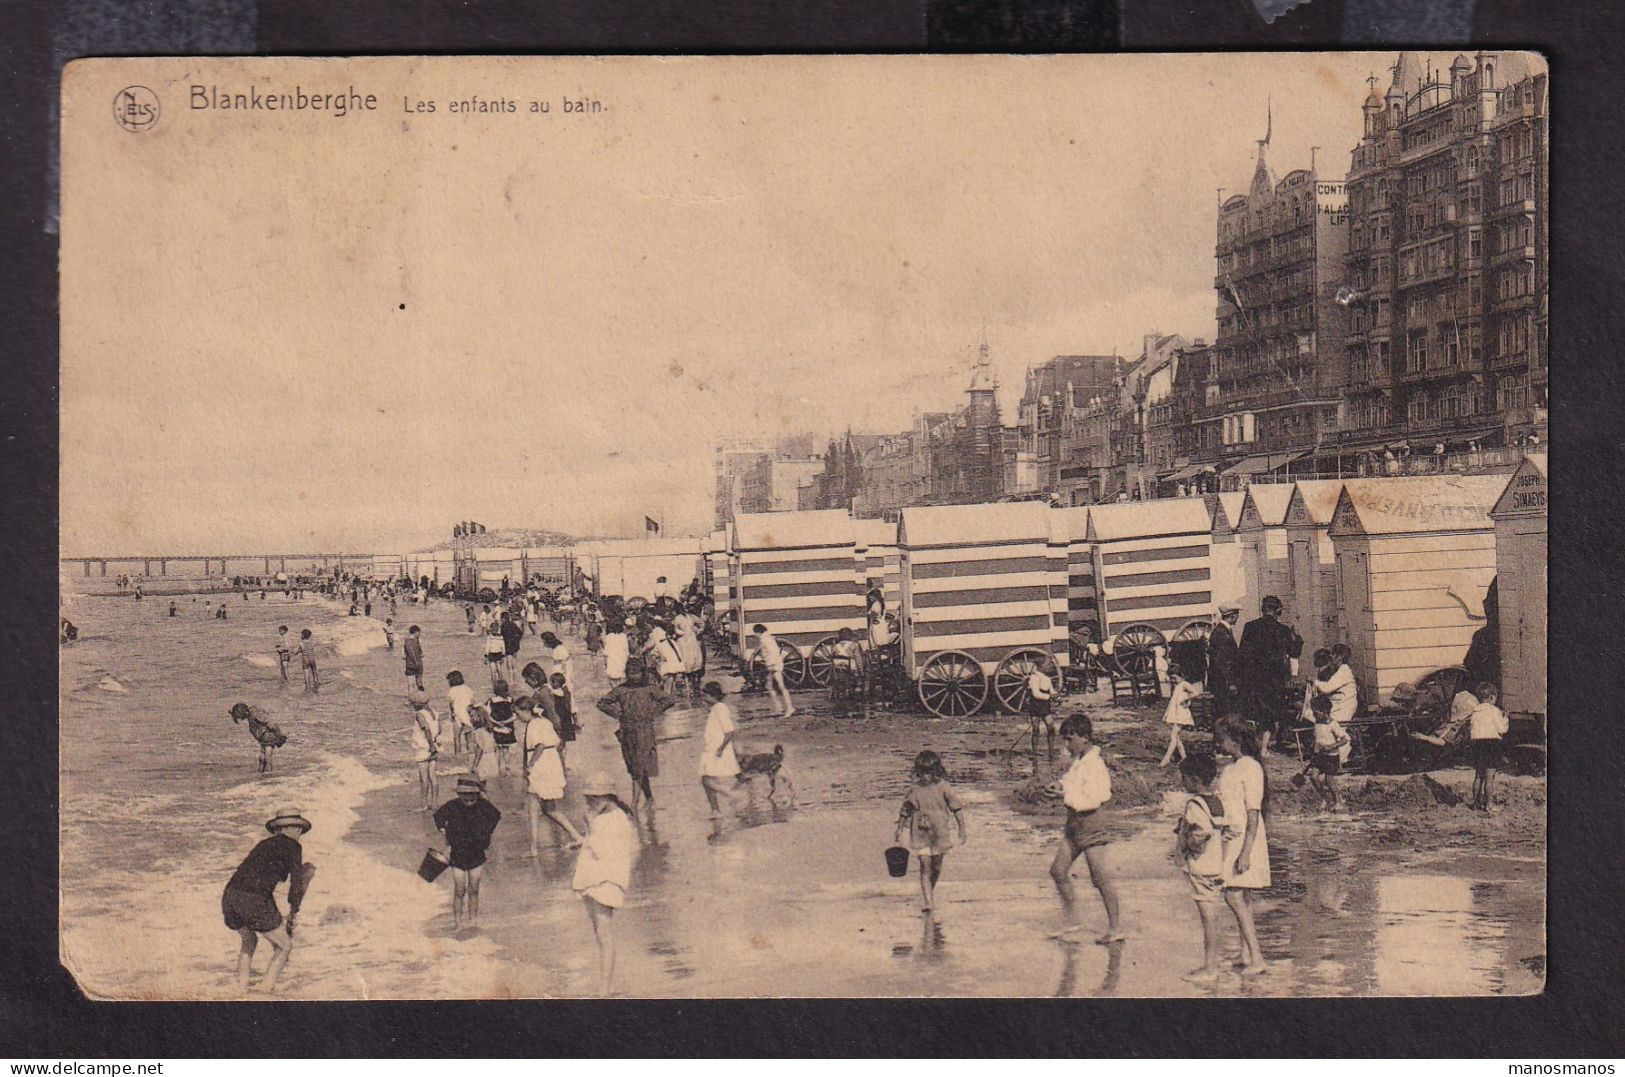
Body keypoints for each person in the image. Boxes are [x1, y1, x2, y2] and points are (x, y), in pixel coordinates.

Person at [1048, 714, 1122, 944]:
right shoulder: (1080, 760)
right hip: (1075, 823)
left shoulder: (1096, 765)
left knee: (1099, 878)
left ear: (1085, 738)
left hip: (1092, 824)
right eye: (1065, 740)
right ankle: (1072, 921)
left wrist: (1065, 794)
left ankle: (1116, 928)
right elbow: (1071, 781)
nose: (1066, 745)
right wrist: (1060, 785)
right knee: (1058, 871)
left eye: (1070, 739)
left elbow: (1096, 798)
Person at [222, 808, 311, 992]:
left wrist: (279, 916)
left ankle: (241, 988)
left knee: (249, 940)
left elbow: (258, 883)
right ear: (290, 828)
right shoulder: (293, 847)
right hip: (252, 900)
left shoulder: (263, 844)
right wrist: (294, 911)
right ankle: (265, 990)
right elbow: (295, 884)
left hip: (230, 896)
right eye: (299, 829)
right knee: (285, 946)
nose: (300, 833)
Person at [571, 772, 637, 996]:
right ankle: (608, 983)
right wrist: (583, 837)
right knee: (600, 933)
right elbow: (595, 842)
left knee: (604, 933)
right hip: (594, 879)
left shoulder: (618, 820)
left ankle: (605, 988)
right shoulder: (605, 817)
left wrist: (590, 826)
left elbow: (603, 851)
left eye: (594, 797)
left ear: (608, 797)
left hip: (606, 881)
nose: (589, 802)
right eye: (588, 797)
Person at [1214, 718, 1270, 976]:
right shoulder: (1231, 768)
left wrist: (1246, 852)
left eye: (1221, 738)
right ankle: (1245, 953)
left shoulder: (1251, 768)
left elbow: (1253, 813)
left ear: (1235, 741)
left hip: (1246, 840)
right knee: (1241, 897)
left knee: (1233, 895)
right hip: (1230, 837)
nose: (1218, 743)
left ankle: (1257, 958)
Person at [597, 658, 675, 823]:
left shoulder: (650, 689)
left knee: (638, 767)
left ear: (643, 673)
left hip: (645, 732)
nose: (633, 677)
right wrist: (617, 713)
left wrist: (654, 712)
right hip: (626, 732)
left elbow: (669, 700)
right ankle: (649, 798)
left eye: (636, 673)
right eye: (630, 674)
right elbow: (602, 703)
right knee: (634, 767)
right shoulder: (621, 690)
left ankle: (633, 805)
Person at [1173, 753, 1227, 983]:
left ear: (1194, 779)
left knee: (1208, 918)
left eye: (1184, 777)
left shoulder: (1194, 805)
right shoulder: (1216, 801)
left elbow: (1201, 832)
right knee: (1212, 915)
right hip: (1216, 864)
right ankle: (1213, 963)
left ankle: (1210, 967)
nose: (1182, 782)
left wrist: (1188, 845)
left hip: (1200, 866)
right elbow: (1228, 829)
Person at [895, 750, 967, 915]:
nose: (926, 777)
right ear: (918, 772)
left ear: (936, 771)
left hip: (939, 835)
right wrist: (899, 828)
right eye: (922, 773)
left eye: (929, 772)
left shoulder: (943, 787)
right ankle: (928, 901)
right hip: (920, 835)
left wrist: (962, 830)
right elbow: (905, 810)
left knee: (936, 867)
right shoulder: (914, 790)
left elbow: (956, 808)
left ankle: (929, 893)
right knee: (925, 867)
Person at [433, 777, 502, 930]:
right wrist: (443, 831)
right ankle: (458, 922)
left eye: (473, 795)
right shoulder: (452, 806)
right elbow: (438, 816)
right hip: (457, 853)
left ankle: (473, 920)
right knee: (459, 889)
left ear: (478, 794)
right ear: (459, 794)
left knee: (474, 888)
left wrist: (487, 832)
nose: (469, 799)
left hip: (477, 852)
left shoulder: (484, 806)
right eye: (465, 795)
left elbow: (496, 815)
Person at [1238, 596, 1303, 750]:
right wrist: (1298, 637)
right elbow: (1295, 652)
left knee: (1256, 711)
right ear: (1278, 610)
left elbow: (1242, 655)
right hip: (1275, 679)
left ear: (1263, 608)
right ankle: (1272, 744)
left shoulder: (1250, 627)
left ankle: (1255, 744)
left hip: (1254, 678)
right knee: (1274, 709)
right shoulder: (1283, 630)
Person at [697, 681, 741, 820]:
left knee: (707, 780)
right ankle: (716, 810)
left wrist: (721, 749)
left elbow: (729, 732)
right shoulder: (716, 708)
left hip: (717, 750)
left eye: (705, 695)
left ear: (712, 695)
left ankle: (730, 797)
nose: (703, 698)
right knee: (707, 779)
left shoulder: (720, 708)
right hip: (711, 749)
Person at [1467, 681, 1508, 811]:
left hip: (1478, 744)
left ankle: (1475, 802)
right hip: (1491, 744)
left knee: (1478, 775)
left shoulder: (1474, 712)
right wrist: (1505, 718)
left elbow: (1471, 729)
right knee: (1490, 776)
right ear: (1491, 697)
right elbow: (1502, 729)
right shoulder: (1494, 711)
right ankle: (1489, 804)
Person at [1306, 693, 1351, 812]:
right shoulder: (1317, 723)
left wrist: (1331, 746)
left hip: (1331, 757)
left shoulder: (1333, 725)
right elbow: (1317, 739)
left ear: (1325, 711)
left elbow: (1345, 739)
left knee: (1329, 780)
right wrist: (1313, 752)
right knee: (1313, 777)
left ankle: (1338, 801)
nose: (1314, 715)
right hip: (1319, 756)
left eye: (1316, 713)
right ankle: (1326, 799)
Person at [1159, 664, 1200, 767]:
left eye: (1174, 678)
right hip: (1177, 713)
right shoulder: (1178, 686)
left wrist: (1186, 699)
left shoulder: (1184, 684)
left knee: (1173, 736)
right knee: (1176, 738)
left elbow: (1196, 692)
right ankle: (1184, 758)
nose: (1173, 680)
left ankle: (1166, 758)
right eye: (1171, 678)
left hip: (1182, 714)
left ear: (1180, 675)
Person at [230, 702, 288, 774]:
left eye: (239, 716)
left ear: (243, 712)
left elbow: (268, 722)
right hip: (263, 739)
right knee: (261, 758)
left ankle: (269, 776)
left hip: (269, 738)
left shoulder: (254, 713)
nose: (240, 719)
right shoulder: (250, 715)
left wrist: (279, 734)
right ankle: (261, 775)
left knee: (267, 758)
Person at [752, 624, 795, 719]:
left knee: (781, 686)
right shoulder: (768, 638)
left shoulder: (765, 640)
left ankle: (789, 708)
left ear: (758, 633)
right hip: (773, 665)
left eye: (755, 633)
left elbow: (773, 653)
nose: (754, 635)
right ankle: (778, 707)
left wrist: (772, 665)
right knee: (769, 686)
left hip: (774, 666)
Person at [409, 689, 441, 812]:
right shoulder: (434, 712)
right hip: (434, 745)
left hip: (424, 747)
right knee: (433, 776)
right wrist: (434, 742)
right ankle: (435, 802)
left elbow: (426, 728)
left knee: (423, 778)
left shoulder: (419, 714)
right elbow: (439, 729)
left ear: (416, 704)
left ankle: (423, 804)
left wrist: (430, 744)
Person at [1206, 606, 1241, 716]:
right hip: (1222, 681)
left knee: (1224, 710)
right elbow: (1224, 661)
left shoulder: (1222, 631)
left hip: (1219, 680)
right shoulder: (1222, 633)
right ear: (1232, 616)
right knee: (1225, 711)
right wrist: (1231, 682)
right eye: (1237, 616)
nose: (1237, 619)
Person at [1026, 656, 1058, 763]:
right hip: (1036, 705)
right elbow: (1036, 694)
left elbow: (1051, 690)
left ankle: (1051, 751)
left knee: (1051, 728)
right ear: (1041, 666)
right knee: (1036, 729)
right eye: (1048, 664)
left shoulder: (1047, 678)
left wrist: (1056, 696)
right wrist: (1049, 697)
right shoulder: (1034, 678)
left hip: (1045, 706)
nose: (1050, 666)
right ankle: (1034, 753)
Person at [485, 681, 518, 775]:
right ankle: (507, 769)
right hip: (508, 728)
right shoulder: (510, 700)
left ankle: (498, 769)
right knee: (506, 750)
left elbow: (487, 715)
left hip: (497, 728)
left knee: (498, 749)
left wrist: (497, 723)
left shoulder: (491, 700)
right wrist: (506, 722)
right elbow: (515, 715)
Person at [830, 627, 863, 717]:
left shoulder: (835, 646)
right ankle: (852, 706)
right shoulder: (854, 645)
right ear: (850, 637)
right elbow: (858, 659)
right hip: (850, 671)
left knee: (841, 688)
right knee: (854, 684)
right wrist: (861, 671)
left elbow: (832, 660)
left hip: (838, 671)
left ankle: (841, 706)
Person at [445, 670, 476, 756]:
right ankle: (471, 751)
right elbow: (471, 701)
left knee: (456, 736)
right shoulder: (467, 688)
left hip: (457, 715)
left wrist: (452, 713)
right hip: (467, 714)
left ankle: (458, 753)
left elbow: (451, 703)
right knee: (469, 735)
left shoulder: (452, 690)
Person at [674, 610, 705, 695]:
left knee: (692, 658)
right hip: (684, 640)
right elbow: (675, 629)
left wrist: (698, 631)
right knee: (685, 659)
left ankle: (693, 681)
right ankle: (689, 681)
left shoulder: (691, 616)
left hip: (690, 639)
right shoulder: (678, 618)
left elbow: (701, 623)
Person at [549, 672, 578, 765]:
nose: (551, 684)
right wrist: (576, 722)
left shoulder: (552, 694)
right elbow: (573, 709)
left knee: (556, 742)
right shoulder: (567, 693)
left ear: (557, 683)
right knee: (563, 743)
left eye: (553, 682)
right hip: (566, 720)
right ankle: (563, 761)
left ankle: (559, 762)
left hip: (557, 719)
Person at [500, 611, 525, 683]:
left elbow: (502, 637)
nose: (501, 620)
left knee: (509, 666)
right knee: (513, 665)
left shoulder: (503, 625)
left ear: (504, 618)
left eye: (501, 618)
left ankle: (511, 681)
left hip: (508, 646)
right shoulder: (513, 624)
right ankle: (514, 681)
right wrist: (517, 641)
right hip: (515, 645)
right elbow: (520, 633)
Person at [603, 621, 629, 686]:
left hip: (612, 658)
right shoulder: (624, 636)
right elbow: (626, 650)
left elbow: (606, 650)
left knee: (612, 676)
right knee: (621, 676)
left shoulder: (609, 636)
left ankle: (614, 689)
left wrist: (605, 661)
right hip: (621, 658)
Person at [484, 622, 507, 688]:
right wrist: (503, 655)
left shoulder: (489, 637)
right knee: (499, 669)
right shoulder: (501, 637)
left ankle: (494, 685)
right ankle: (501, 683)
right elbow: (503, 646)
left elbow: (487, 646)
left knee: (493, 670)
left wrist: (486, 656)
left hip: (492, 654)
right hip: (499, 654)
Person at [403, 625, 425, 692]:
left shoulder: (406, 641)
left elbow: (404, 655)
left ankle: (411, 698)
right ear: (415, 632)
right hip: (418, 664)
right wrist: (417, 662)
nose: (419, 634)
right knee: (419, 682)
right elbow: (420, 653)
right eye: (419, 632)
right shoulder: (416, 641)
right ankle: (421, 697)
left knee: (410, 684)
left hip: (409, 664)